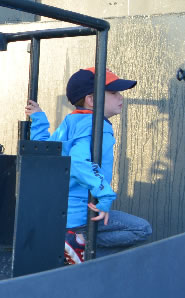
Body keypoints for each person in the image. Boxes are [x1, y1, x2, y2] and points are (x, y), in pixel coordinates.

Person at [25, 67, 152, 264]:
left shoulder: (72, 121)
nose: (121, 97)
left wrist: (39, 119)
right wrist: (105, 193)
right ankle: (78, 246)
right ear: (91, 100)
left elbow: (45, 151)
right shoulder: (98, 126)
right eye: (114, 92)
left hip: (60, 213)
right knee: (141, 229)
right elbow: (79, 162)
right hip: (81, 216)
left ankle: (74, 244)